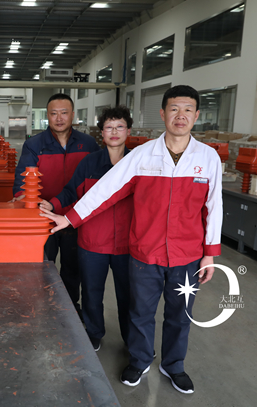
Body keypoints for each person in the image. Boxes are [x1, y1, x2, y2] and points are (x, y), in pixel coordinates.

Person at [40, 85, 222, 394]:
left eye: (187, 110)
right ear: (162, 114)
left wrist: (209, 253)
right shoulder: (142, 156)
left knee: (180, 315)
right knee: (140, 312)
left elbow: (214, 206)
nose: (180, 116)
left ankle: (173, 365)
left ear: (196, 115)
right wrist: (69, 219)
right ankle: (140, 360)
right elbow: (104, 190)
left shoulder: (208, 158)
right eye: (174, 109)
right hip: (145, 253)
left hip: (187, 255)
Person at [39, 106, 134, 352]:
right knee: (92, 292)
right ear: (102, 132)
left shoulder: (138, 163)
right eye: (109, 127)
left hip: (128, 243)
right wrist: (53, 204)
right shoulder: (89, 163)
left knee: (129, 295)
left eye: (120, 127)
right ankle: (94, 333)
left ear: (128, 131)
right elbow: (71, 191)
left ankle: (132, 339)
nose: (114, 132)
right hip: (93, 241)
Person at [13, 93, 99, 316]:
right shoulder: (34, 145)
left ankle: (70, 312)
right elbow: (21, 183)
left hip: (75, 219)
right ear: (47, 116)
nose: (59, 118)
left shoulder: (88, 144)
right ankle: (42, 311)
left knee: (73, 270)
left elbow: (98, 181)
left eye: (64, 113)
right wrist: (24, 199)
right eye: (53, 113)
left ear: (73, 115)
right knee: (42, 267)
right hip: (44, 220)